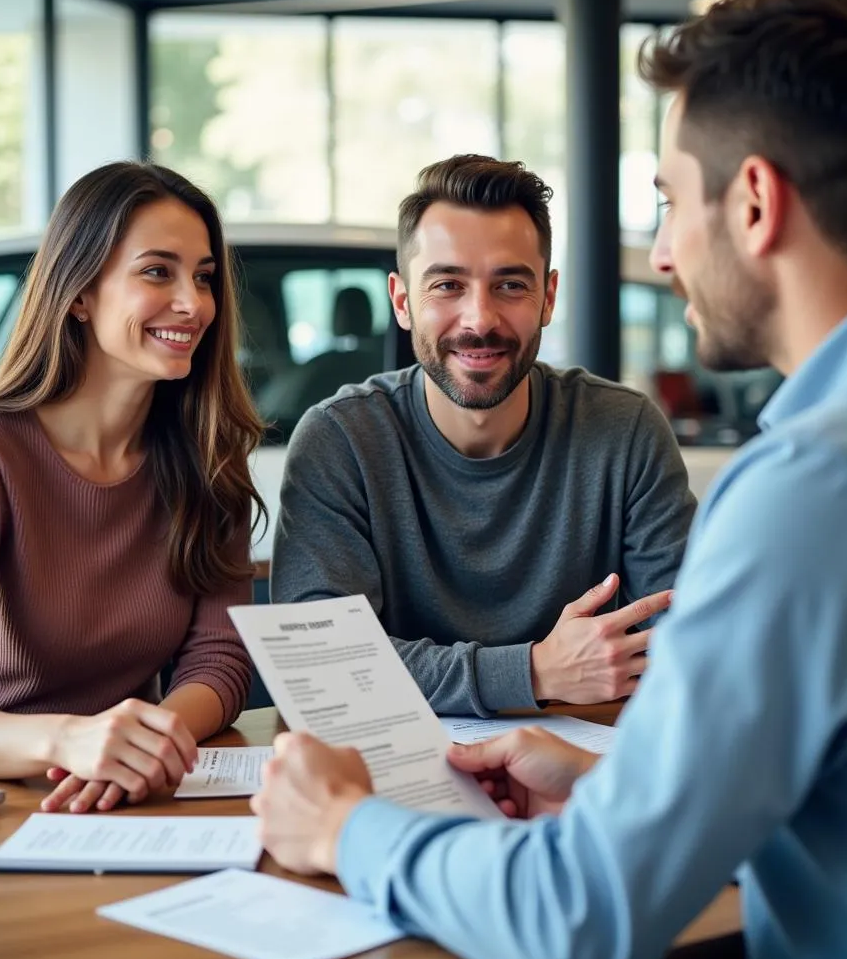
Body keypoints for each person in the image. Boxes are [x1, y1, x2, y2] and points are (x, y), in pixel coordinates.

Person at [251, 0, 847, 959]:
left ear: (751, 202)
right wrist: (616, 778)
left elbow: (580, 915)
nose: (659, 255)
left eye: (666, 203)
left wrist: (345, 828)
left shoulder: (814, 488)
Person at [0, 162, 265, 815]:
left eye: (203, 277)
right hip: (10, 796)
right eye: (158, 271)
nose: (194, 303)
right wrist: (75, 741)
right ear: (80, 293)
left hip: (137, 793)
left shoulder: (208, 455)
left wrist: (149, 741)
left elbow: (220, 663)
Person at [271, 154, 695, 716]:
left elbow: (689, 643)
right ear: (402, 301)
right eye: (447, 284)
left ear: (548, 296)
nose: (479, 319)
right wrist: (535, 672)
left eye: (510, 285)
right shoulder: (340, 440)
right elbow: (324, 665)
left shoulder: (626, 432)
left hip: (586, 775)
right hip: (397, 779)